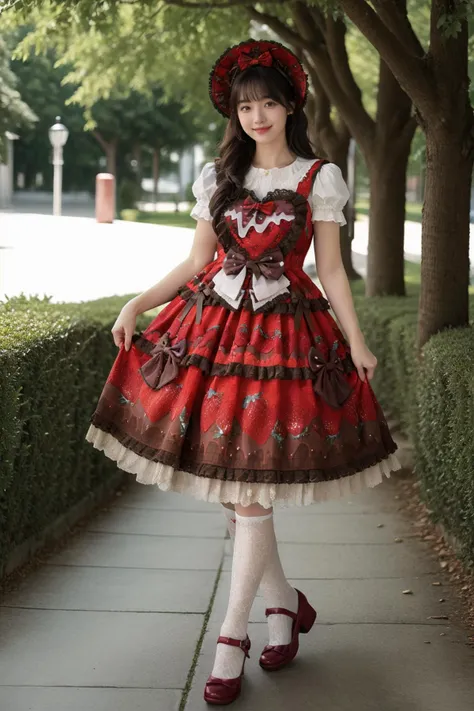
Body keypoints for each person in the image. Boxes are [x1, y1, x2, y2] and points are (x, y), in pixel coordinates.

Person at [86, 39, 401, 706]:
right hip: (214, 338)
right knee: (240, 490)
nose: (257, 116)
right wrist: (138, 302)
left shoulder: (320, 179)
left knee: (249, 491)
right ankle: (284, 604)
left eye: (268, 103)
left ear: (292, 106)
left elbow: (336, 271)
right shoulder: (218, 177)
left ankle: (232, 635)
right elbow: (198, 263)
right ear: (235, 113)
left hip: (286, 342)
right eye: (245, 106)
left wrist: (359, 340)